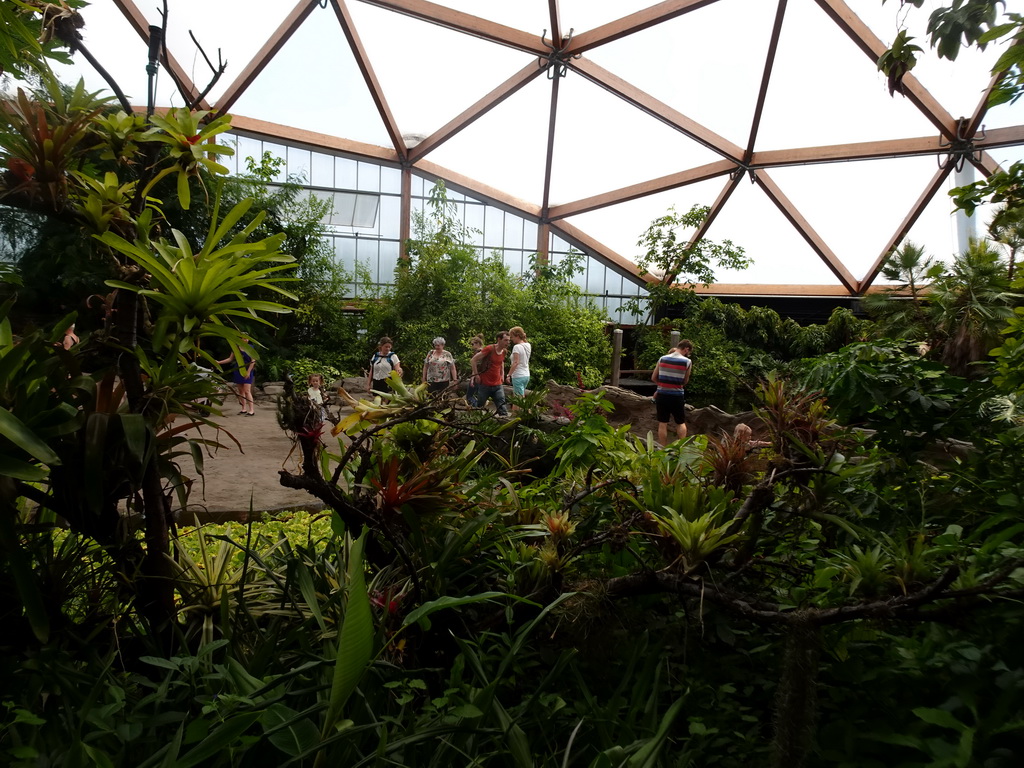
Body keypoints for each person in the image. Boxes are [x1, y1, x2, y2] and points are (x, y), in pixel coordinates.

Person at [650, 339, 693, 445]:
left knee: (662, 423)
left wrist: (661, 385)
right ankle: (680, 447)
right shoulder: (687, 362)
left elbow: (654, 377)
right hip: (677, 395)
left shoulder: (662, 359)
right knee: (680, 422)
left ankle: (663, 448)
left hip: (662, 394)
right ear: (686, 349)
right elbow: (685, 381)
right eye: (689, 352)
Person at [470, 330, 510, 416]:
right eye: (505, 340)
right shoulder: (489, 349)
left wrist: (502, 374)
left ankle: (505, 425)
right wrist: (476, 375)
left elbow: (501, 362)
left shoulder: (504, 351)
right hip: (485, 384)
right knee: (480, 406)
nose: (508, 342)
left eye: (509, 340)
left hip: (497, 384)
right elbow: (473, 360)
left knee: (502, 406)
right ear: (499, 339)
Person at [218, 340, 257, 416]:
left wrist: (248, 371)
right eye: (242, 338)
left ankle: (251, 410)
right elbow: (230, 359)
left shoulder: (250, 348)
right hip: (238, 369)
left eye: (246, 338)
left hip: (247, 369)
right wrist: (219, 362)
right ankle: (243, 408)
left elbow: (253, 361)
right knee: (241, 390)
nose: (244, 340)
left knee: (247, 390)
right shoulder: (236, 348)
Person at [505, 326, 532, 403]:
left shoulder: (517, 347)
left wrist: (509, 375)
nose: (511, 339)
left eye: (512, 337)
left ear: (517, 336)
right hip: (526, 375)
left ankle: (516, 414)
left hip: (518, 375)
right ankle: (523, 413)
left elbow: (516, 362)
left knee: (518, 400)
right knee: (521, 396)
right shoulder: (528, 345)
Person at [465, 334, 484, 405]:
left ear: (478, 343)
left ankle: (476, 406)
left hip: (477, 375)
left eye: (472, 344)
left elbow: (475, 367)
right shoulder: (485, 351)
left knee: (469, 396)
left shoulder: (478, 353)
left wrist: (472, 378)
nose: (472, 346)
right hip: (483, 376)